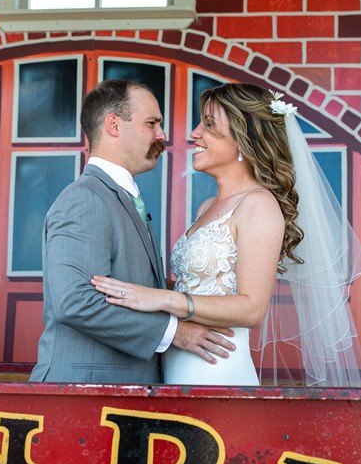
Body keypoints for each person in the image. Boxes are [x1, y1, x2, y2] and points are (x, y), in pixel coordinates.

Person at [92, 83, 361, 387]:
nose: (195, 133)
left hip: (217, 368)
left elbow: (252, 308)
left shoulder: (258, 205)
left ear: (243, 140)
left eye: (209, 125)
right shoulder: (207, 206)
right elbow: (203, 285)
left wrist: (162, 299)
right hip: (176, 362)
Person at [30, 79, 236, 384]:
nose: (162, 135)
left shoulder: (123, 197)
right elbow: (75, 302)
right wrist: (175, 332)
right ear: (114, 125)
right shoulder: (84, 199)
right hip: (85, 393)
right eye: (152, 123)